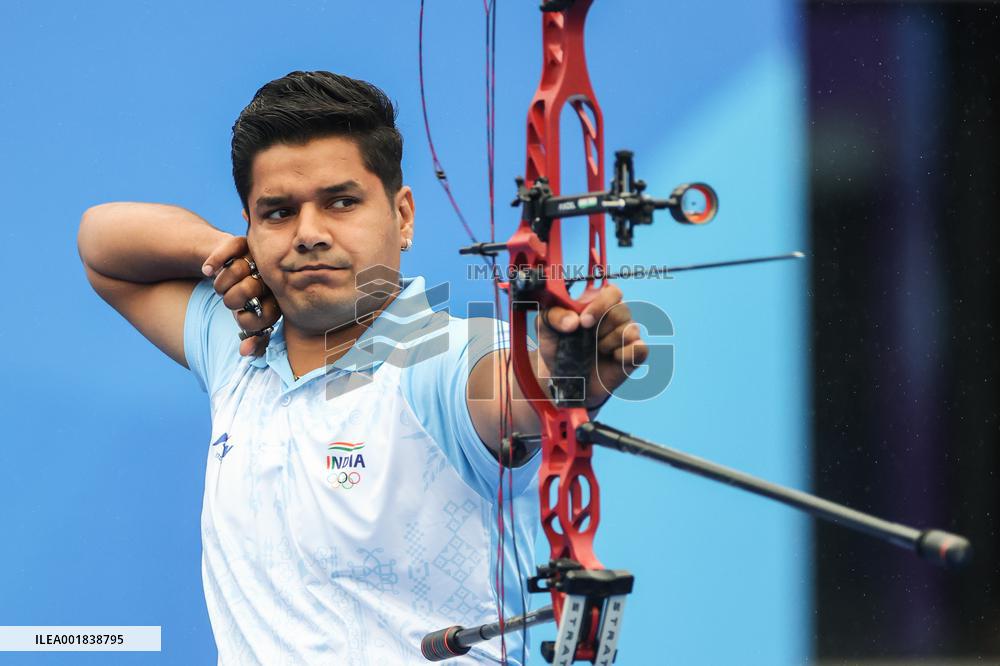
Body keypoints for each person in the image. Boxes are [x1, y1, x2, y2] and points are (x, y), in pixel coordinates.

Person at [76, 70, 647, 665]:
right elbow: (101, 245)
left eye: (341, 202)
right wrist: (216, 253)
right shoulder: (238, 349)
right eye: (277, 213)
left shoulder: (443, 358)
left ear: (402, 217)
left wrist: (564, 376)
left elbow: (516, 396)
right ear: (248, 228)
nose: (309, 234)